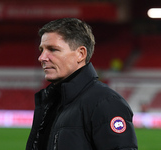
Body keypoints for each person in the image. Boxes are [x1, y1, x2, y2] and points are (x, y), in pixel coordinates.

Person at [26, 18, 138, 150]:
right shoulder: (53, 102)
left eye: (53, 49)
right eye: (42, 50)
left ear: (80, 54)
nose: (42, 57)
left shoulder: (105, 103)